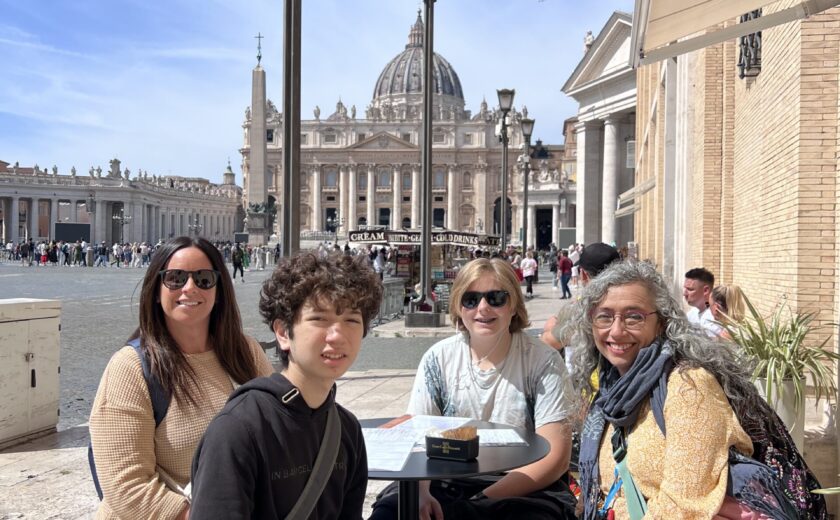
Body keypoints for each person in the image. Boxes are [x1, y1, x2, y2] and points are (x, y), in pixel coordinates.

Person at [570, 261, 826, 519]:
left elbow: (682, 506)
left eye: (634, 316)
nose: (616, 330)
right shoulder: (611, 386)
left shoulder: (689, 386)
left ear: (661, 323)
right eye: (604, 316)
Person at [370, 258, 578, 520]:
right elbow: (417, 434)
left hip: (522, 483)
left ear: (513, 305)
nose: (483, 308)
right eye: (471, 299)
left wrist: (482, 500)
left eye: (496, 298)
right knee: (389, 513)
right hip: (442, 478)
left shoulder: (543, 361)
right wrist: (420, 491)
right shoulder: (438, 358)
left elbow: (554, 456)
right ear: (458, 306)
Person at [89, 236, 274, 519]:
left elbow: (276, 435)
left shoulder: (246, 352)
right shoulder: (129, 369)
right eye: (175, 279)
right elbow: (126, 487)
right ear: (155, 289)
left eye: (203, 279)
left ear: (219, 289)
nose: (190, 288)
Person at [190, 252, 382, 518]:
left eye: (351, 320)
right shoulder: (238, 430)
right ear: (282, 333)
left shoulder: (347, 430)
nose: (337, 335)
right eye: (320, 319)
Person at [683, 267, 716, 333]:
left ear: (706, 290)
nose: (684, 294)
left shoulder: (714, 318)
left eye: (690, 289)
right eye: (685, 288)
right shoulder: (692, 313)